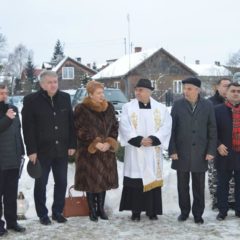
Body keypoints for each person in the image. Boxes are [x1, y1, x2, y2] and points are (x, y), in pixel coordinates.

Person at [22, 70, 76, 225]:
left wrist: (72, 144)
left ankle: (57, 211)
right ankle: (42, 214)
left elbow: (70, 123)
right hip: (41, 151)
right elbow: (28, 128)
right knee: (41, 184)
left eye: (55, 82)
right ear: (42, 84)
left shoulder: (65, 98)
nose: (53, 85)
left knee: (61, 182)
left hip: (61, 150)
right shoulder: (31, 100)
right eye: (49, 82)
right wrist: (31, 150)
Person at [119, 78, 172, 221]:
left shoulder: (160, 108)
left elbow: (167, 126)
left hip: (153, 151)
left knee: (152, 179)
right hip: (135, 150)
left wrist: (154, 139)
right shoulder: (128, 107)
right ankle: (135, 212)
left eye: (140, 90)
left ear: (149, 92)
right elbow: (124, 125)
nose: (137, 92)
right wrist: (138, 140)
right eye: (136, 90)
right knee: (136, 181)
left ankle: (152, 210)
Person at [169, 77, 217, 224]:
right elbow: (171, 129)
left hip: (201, 153)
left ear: (198, 90)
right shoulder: (177, 105)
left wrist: (210, 151)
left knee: (199, 186)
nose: (186, 91)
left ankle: (198, 214)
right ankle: (184, 212)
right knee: (182, 186)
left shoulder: (208, 105)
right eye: (184, 88)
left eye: (189, 88)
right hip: (181, 152)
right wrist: (173, 150)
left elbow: (212, 129)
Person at [74, 80, 119, 222]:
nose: (102, 95)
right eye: (99, 93)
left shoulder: (109, 107)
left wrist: (110, 141)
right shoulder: (81, 108)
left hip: (106, 151)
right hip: (89, 152)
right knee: (91, 181)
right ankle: (92, 210)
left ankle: (101, 209)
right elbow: (79, 129)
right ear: (90, 94)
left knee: (103, 181)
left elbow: (114, 127)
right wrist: (95, 142)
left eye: (102, 92)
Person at [0, 84, 26, 236]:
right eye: (1, 93)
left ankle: (12, 221)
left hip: (13, 160)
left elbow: (18, 132)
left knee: (11, 194)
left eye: (6, 93)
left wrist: (21, 152)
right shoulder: (9, 114)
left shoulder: (13, 109)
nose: (4, 95)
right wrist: (7, 118)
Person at [214, 82, 240, 220]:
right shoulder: (217, 110)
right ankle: (222, 211)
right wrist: (218, 145)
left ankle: (239, 210)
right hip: (224, 152)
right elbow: (212, 131)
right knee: (222, 184)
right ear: (227, 93)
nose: (236, 93)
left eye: (238, 91)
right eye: (233, 91)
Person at [208, 78, 234, 210]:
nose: (226, 89)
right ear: (217, 87)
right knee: (216, 177)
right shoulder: (210, 103)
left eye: (229, 86)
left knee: (232, 177)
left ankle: (231, 201)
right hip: (215, 147)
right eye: (224, 86)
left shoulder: (235, 102)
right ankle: (217, 201)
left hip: (232, 147)